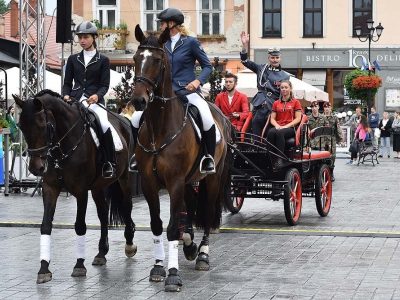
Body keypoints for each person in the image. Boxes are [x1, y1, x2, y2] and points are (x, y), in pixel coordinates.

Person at [130, 7, 215, 174]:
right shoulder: (161, 44)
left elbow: (207, 66)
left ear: (171, 24)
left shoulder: (190, 42)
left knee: (206, 116)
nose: (161, 26)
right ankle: (136, 155)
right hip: (164, 94)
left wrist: (197, 81)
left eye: (162, 23)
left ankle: (208, 157)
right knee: (135, 117)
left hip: (187, 91)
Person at [62, 21, 115, 178]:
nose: (82, 41)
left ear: (94, 38)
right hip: (76, 101)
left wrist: (97, 95)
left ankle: (108, 162)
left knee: (104, 124)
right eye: (80, 38)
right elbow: (67, 83)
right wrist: (66, 94)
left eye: (86, 37)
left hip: (95, 101)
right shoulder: (72, 59)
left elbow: (104, 85)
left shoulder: (103, 60)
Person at [240, 31, 289, 137]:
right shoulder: (261, 68)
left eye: (277, 58)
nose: (275, 60)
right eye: (272, 57)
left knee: (270, 134)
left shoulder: (285, 76)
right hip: (259, 106)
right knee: (255, 133)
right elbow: (244, 61)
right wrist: (244, 45)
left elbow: (284, 95)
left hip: (273, 108)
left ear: (280, 58)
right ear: (269, 58)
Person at [266, 80, 302, 166]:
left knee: (280, 133)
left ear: (290, 89)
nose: (284, 89)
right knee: (270, 132)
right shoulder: (276, 103)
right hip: (279, 126)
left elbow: (298, 119)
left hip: (291, 128)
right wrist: (277, 125)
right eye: (282, 88)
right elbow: (272, 119)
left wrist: (285, 126)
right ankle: (270, 158)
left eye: (286, 87)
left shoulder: (295, 102)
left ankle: (280, 159)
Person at [323, 102, 345, 182]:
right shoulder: (321, 117)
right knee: (322, 157)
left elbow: (338, 129)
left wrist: (341, 140)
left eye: (328, 107)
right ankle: (323, 172)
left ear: (330, 108)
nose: (327, 109)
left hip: (332, 139)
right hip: (322, 140)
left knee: (332, 156)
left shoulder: (334, 118)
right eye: (325, 107)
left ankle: (331, 173)